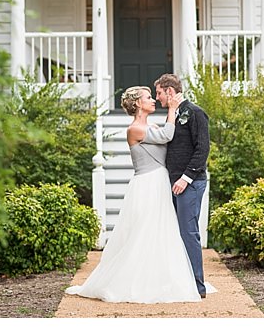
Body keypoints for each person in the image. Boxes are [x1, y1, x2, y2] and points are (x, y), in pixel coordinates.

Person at [66, 86, 203, 303]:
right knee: (144, 233)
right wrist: (173, 109)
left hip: (159, 182)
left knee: (162, 232)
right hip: (147, 185)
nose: (153, 101)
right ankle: (135, 280)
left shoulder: (151, 126)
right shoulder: (134, 129)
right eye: (149, 98)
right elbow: (168, 134)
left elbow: (170, 137)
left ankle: (160, 278)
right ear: (138, 103)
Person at [154, 73, 211, 299]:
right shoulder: (172, 116)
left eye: (159, 93)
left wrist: (185, 178)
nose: (158, 98)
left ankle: (198, 287)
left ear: (169, 91)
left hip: (190, 183)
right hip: (173, 183)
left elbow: (202, 149)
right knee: (175, 234)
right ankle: (181, 281)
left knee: (188, 233)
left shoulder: (196, 113)